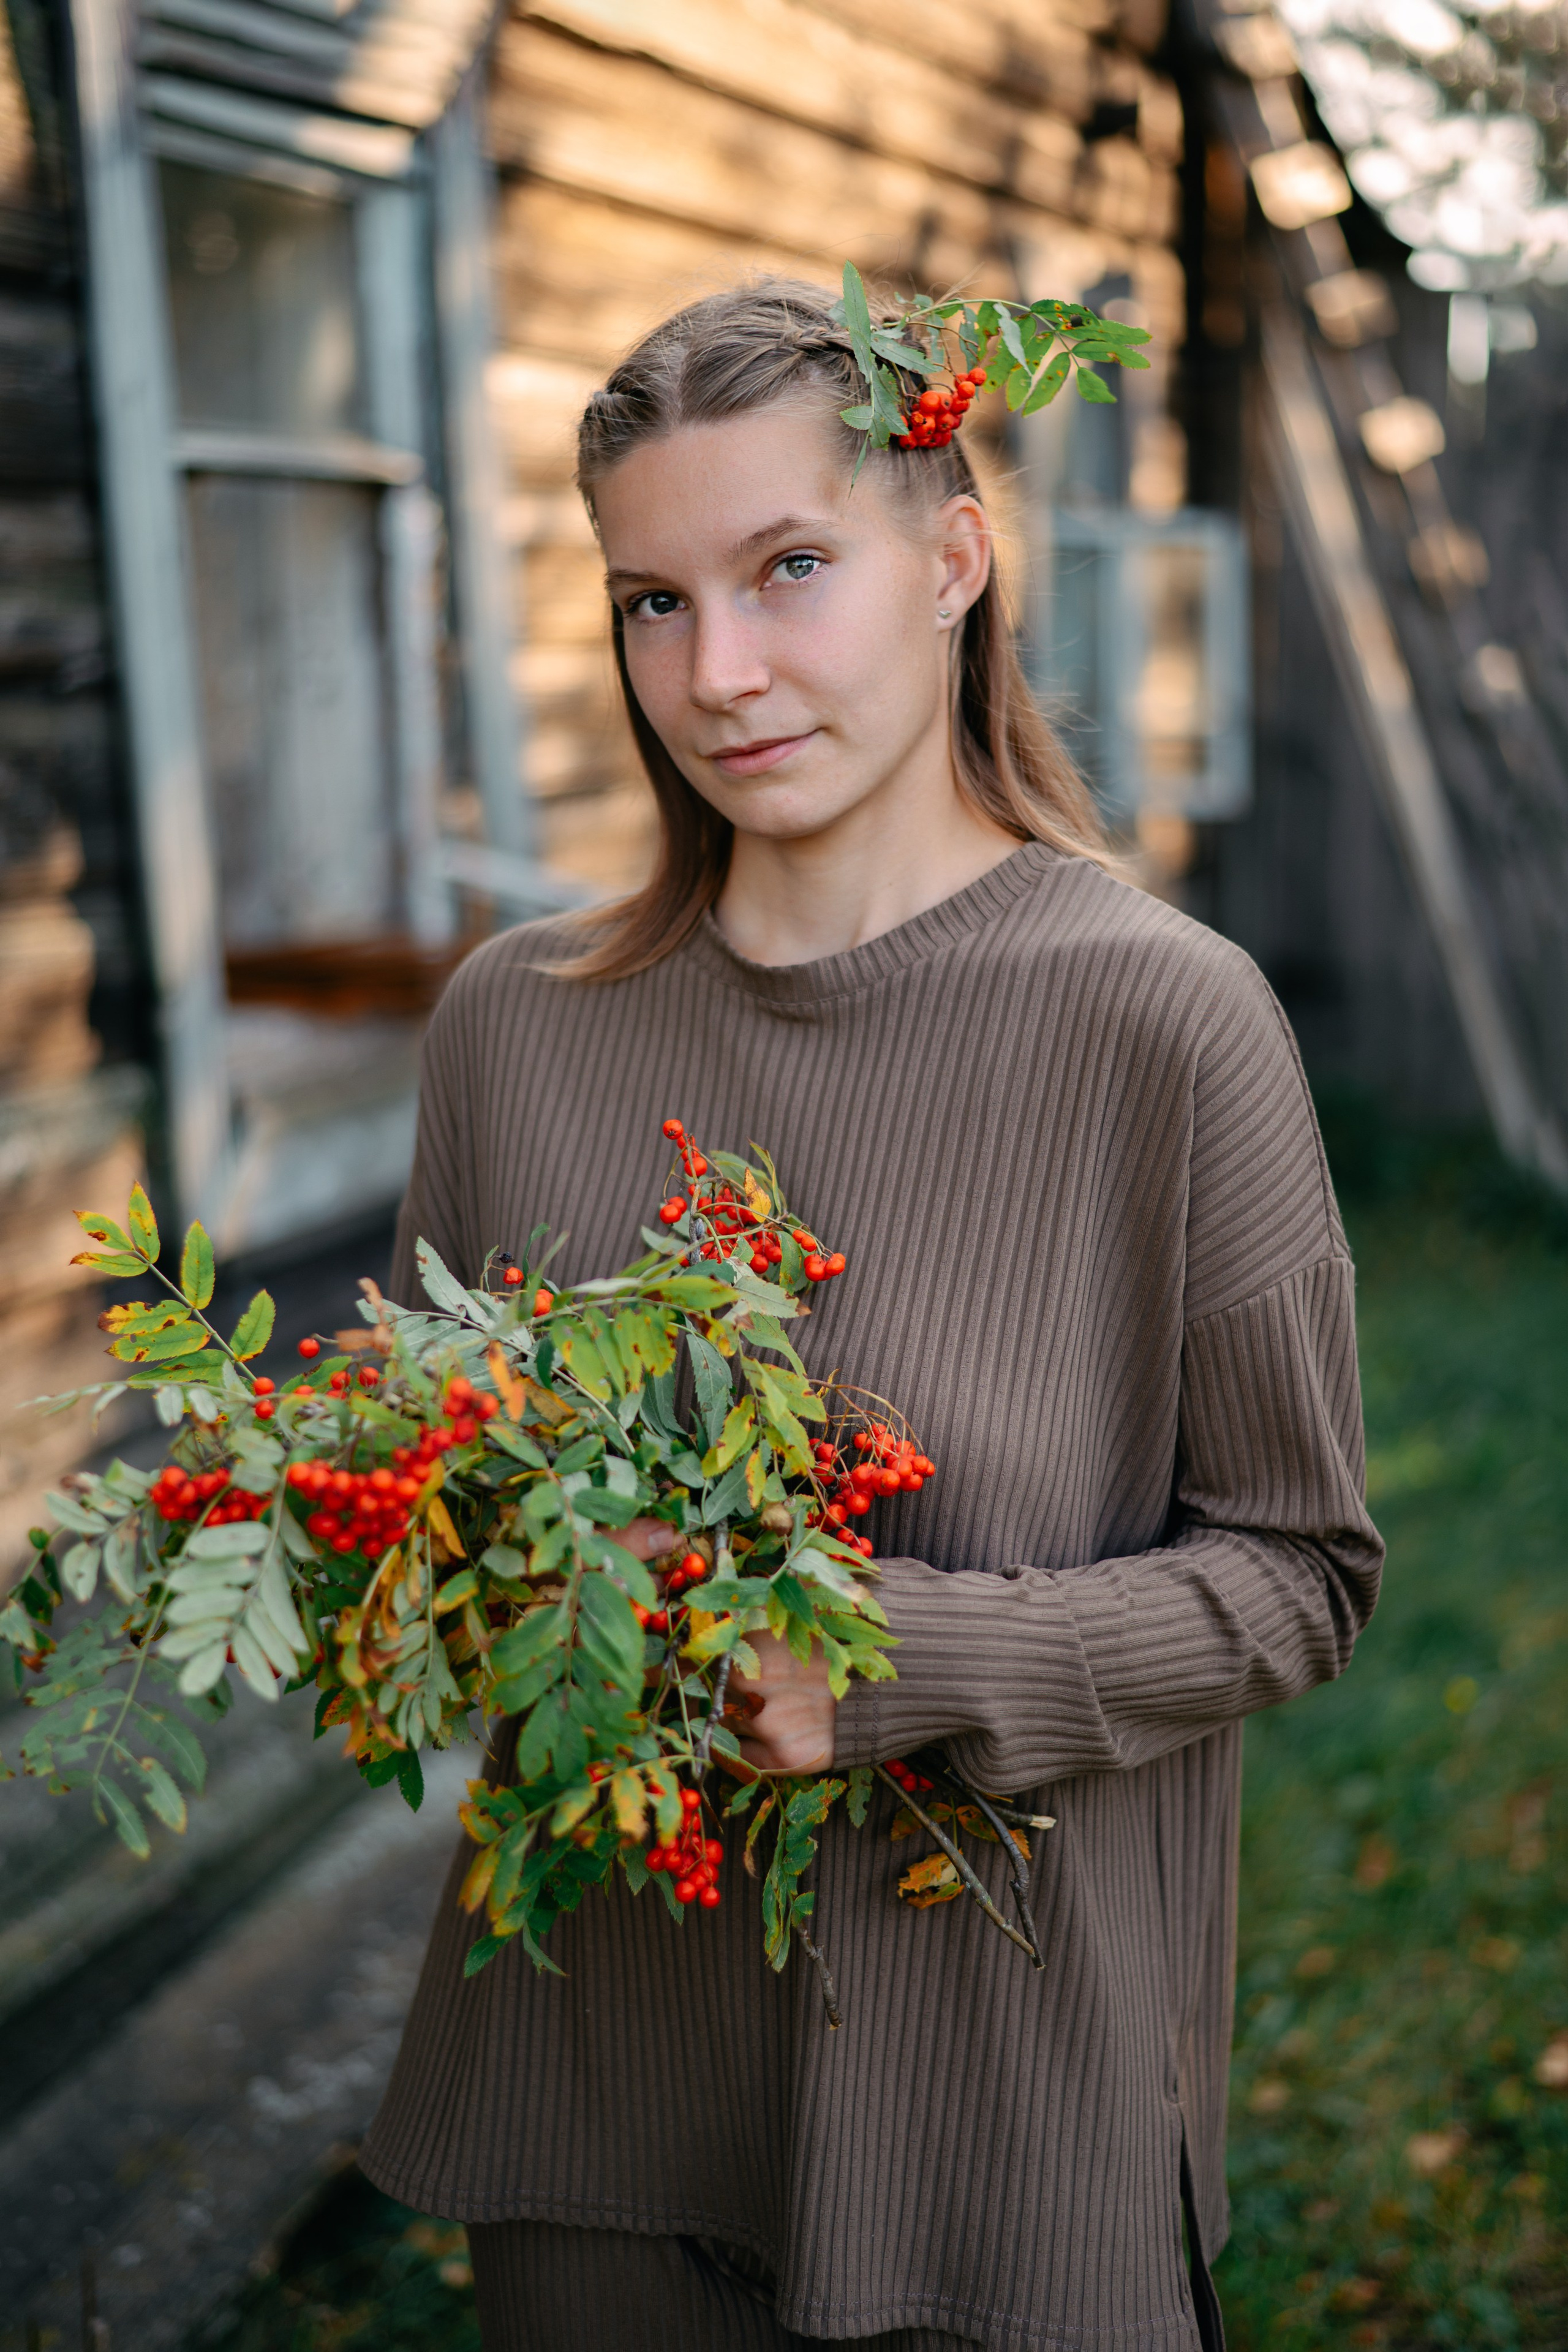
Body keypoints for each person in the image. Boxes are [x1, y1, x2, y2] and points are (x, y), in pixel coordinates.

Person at [359, 277, 1382, 2351]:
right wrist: (503, 1576)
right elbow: (426, 1518)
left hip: (997, 2119)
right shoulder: (518, 1028)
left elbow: (1300, 1576)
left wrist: (894, 1660)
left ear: (954, 556)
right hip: (597, 2092)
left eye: (788, 569)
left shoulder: (1165, 1026)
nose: (717, 671)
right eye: (654, 600)